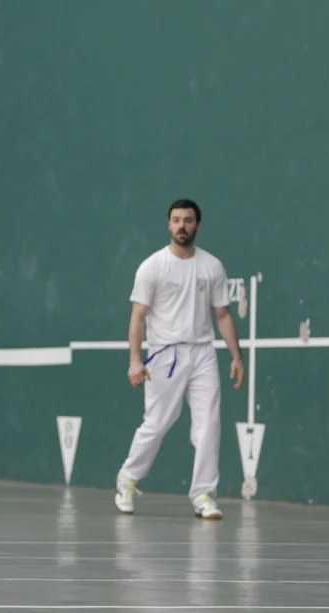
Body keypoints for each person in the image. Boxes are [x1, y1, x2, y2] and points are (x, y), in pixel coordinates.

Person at [114, 198, 244, 520]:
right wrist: (135, 360)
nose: (181, 226)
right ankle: (127, 479)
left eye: (187, 220)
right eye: (176, 220)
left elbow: (222, 315)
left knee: (209, 424)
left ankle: (203, 494)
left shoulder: (212, 266)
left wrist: (236, 357)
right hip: (165, 354)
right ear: (169, 224)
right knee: (157, 424)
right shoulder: (152, 266)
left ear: (198, 225)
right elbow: (137, 315)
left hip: (203, 354)